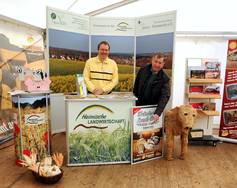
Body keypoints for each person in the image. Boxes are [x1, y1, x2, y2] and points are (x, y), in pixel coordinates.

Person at [133, 53, 170, 122]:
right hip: (139, 107)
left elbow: (165, 96)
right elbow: (136, 87)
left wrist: (157, 113)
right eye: (155, 61)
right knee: (138, 131)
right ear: (152, 60)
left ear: (163, 64)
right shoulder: (142, 70)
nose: (157, 64)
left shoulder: (165, 78)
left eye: (160, 63)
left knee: (151, 132)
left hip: (153, 110)